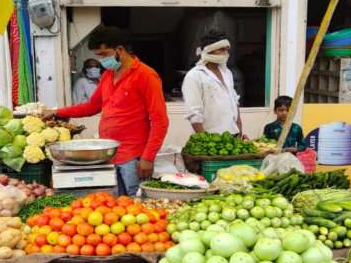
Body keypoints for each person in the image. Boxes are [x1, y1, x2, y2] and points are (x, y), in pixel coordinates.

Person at [43, 26, 169, 196]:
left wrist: (148, 158)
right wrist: (58, 112)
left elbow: (160, 121)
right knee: (115, 204)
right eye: (98, 55)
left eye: (103, 54)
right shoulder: (107, 75)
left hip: (134, 156)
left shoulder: (146, 75)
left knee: (135, 204)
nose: (101, 60)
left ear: (120, 50)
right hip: (110, 154)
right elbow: (92, 106)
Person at [181, 30, 243, 135]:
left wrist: (239, 129)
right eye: (222, 50)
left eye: (227, 50)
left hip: (233, 135)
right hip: (212, 138)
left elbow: (234, 102)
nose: (226, 54)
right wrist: (205, 141)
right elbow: (194, 113)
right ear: (209, 50)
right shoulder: (195, 75)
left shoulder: (227, 73)